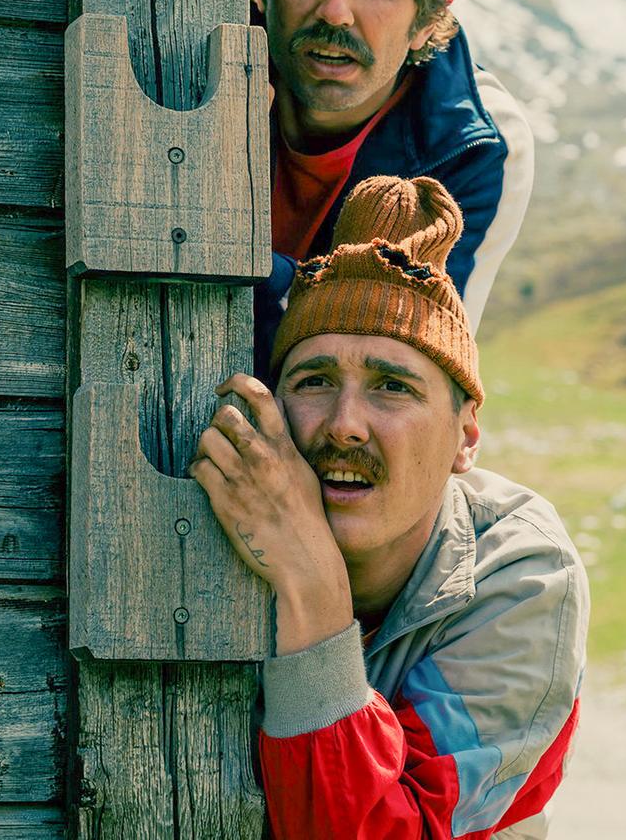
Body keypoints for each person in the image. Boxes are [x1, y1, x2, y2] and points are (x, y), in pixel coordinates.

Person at [190, 176, 586, 839]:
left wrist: (311, 579)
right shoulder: (209, 520)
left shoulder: (521, 577)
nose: (344, 425)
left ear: (466, 437)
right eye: (314, 381)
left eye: (392, 387)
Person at [253, 0, 534, 371]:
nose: (335, 10)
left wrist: (234, 253)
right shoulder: (192, 48)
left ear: (425, 20)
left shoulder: (472, 145)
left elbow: (393, 366)